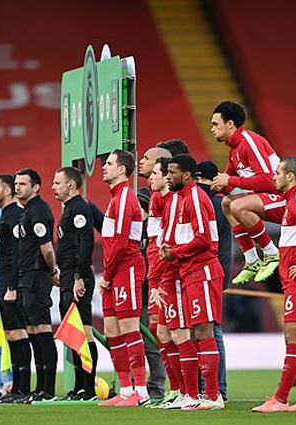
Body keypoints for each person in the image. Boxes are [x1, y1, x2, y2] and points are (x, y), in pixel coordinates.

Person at [252, 157, 296, 413]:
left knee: (293, 336)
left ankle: (280, 398)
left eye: (278, 173)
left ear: (290, 176)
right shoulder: (293, 201)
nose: (273, 177)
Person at [159, 154, 225, 410]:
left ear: (186, 175)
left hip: (203, 271)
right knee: (197, 332)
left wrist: (174, 252)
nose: (168, 176)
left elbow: (204, 238)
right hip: (190, 272)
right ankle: (197, 395)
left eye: (172, 172)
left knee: (204, 331)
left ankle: (212, 396)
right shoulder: (182, 199)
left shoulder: (196, 198)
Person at [209, 101, 284, 285]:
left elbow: (268, 181)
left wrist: (230, 181)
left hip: (284, 199)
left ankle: (272, 253)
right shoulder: (233, 149)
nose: (212, 129)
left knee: (237, 206)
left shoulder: (249, 142)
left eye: (215, 124)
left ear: (230, 124)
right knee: (226, 203)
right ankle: (251, 259)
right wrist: (218, 186)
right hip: (267, 199)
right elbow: (228, 180)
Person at [97, 149, 150, 407]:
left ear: (122, 170)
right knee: (112, 330)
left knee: (129, 327)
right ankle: (126, 389)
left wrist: (106, 276)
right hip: (115, 270)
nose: (103, 167)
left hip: (126, 267)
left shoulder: (125, 198)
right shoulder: (115, 198)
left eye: (109, 164)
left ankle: (141, 389)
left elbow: (120, 244)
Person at [51, 166, 99, 401]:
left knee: (84, 332)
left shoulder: (79, 208)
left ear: (71, 185)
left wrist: (79, 277)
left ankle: (88, 388)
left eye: (57, 183)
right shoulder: (69, 209)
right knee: (74, 334)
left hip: (78, 277)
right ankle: (80, 386)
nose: (53, 187)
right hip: (69, 275)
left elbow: (86, 243)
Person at [15, 168, 59, 402]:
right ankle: (39, 387)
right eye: (16, 183)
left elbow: (47, 247)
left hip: (36, 276)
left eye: (23, 184)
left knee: (42, 331)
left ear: (35, 187)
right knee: (33, 332)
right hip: (26, 276)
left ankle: (48, 389)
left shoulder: (39, 210)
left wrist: (51, 271)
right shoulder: (26, 211)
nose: (18, 187)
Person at [0, 174, 31, 403]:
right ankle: (16, 388)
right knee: (10, 335)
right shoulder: (5, 215)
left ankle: (23, 389)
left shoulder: (14, 215)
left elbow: (17, 252)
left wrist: (13, 285)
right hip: (4, 280)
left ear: (6, 192)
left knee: (19, 334)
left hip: (11, 282)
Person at [138, 146, 173, 402]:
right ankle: (158, 388)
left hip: (165, 274)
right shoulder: (151, 195)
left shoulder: (170, 198)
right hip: (148, 273)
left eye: (147, 159)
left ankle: (185, 389)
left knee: (174, 332)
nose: (142, 162)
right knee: (155, 331)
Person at [195, 160, 231, 401]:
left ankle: (217, 387)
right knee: (209, 327)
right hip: (218, 269)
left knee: (211, 328)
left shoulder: (213, 203)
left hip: (210, 271)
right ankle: (212, 386)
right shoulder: (220, 203)